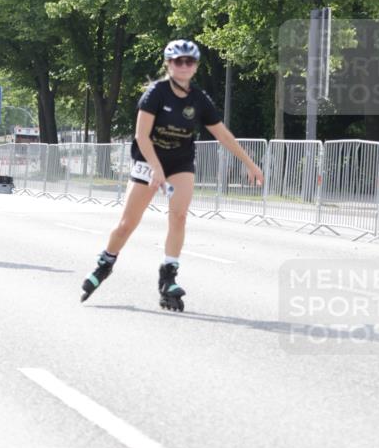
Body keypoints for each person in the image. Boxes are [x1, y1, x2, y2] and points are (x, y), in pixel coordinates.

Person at [81, 39, 264, 310]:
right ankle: (105, 263)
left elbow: (222, 134)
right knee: (127, 224)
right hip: (148, 160)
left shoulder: (199, 99)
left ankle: (168, 277)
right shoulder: (156, 93)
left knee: (178, 216)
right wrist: (155, 167)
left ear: (196, 66)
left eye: (190, 62)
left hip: (179, 162)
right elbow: (141, 136)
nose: (184, 66)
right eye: (178, 61)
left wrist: (250, 163)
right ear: (168, 64)